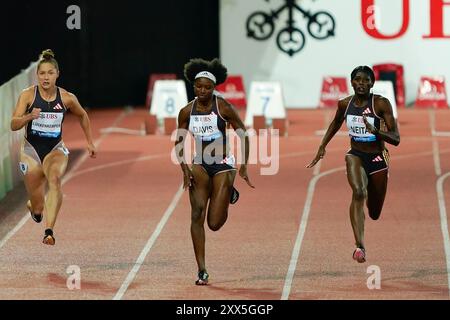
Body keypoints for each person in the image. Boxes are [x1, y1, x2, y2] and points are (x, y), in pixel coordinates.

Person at [307, 65, 400, 263]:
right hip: (355, 155)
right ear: (351, 82)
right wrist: (322, 145)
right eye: (357, 79)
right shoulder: (345, 104)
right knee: (358, 192)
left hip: (377, 158)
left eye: (366, 80)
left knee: (374, 212)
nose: (361, 83)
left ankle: (371, 197)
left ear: (372, 84)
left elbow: (396, 138)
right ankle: (360, 246)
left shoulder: (381, 104)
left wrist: (375, 132)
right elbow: (335, 123)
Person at [175, 58, 255, 285]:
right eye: (199, 86)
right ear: (193, 86)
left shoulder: (223, 108)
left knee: (214, 224)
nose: (202, 90)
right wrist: (184, 168)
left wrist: (244, 165)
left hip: (223, 164)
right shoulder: (186, 111)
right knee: (196, 214)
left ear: (214, 88)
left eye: (207, 87)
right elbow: (179, 142)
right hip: (199, 163)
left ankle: (229, 191)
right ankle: (201, 270)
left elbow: (243, 134)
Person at [10, 49, 96, 245]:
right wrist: (28, 117)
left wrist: (89, 141)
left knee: (55, 180)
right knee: (38, 207)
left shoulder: (66, 98)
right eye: (42, 73)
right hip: (31, 151)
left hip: (55, 149)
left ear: (57, 74)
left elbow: (82, 115)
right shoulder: (28, 96)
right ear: (37, 75)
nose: (45, 77)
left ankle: (49, 231)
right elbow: (13, 124)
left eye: (50, 73)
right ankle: (34, 206)